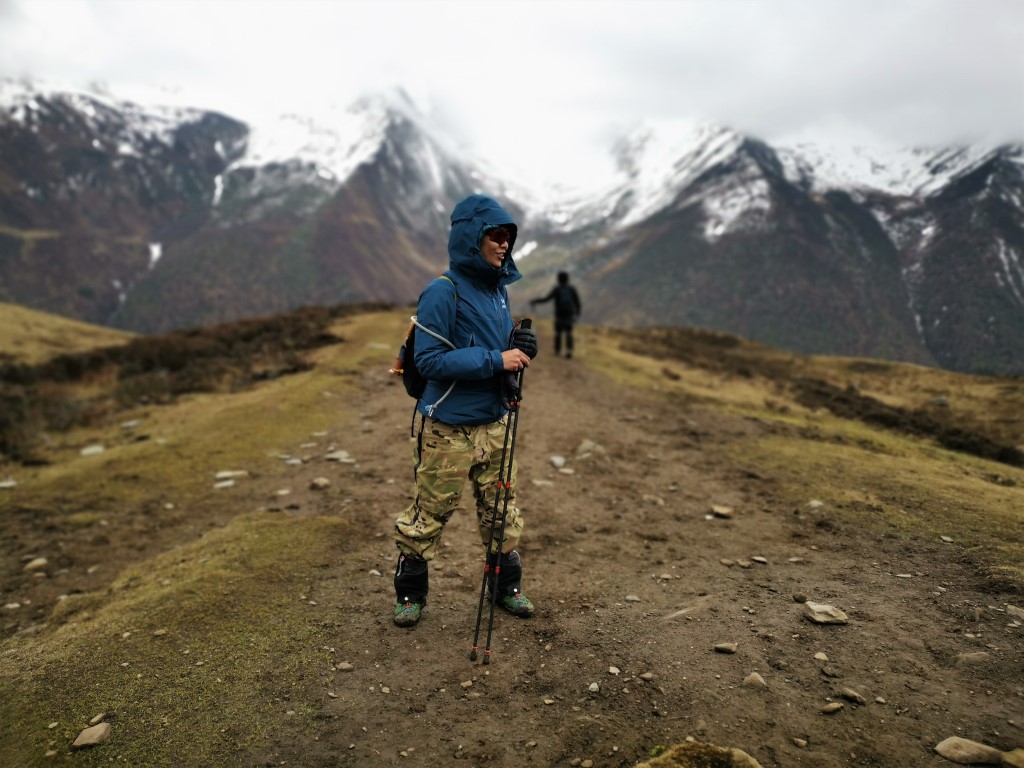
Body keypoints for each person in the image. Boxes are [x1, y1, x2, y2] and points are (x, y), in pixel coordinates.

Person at [391, 194, 539, 628]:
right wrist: (498, 359)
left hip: (495, 423)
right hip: (448, 429)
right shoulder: (442, 291)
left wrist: (519, 347)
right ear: (471, 239)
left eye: (508, 236)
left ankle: (507, 589)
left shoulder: (497, 290)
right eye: (496, 235)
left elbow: (494, 346)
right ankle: (410, 595)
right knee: (429, 514)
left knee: (502, 511)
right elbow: (430, 361)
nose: (504, 244)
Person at [530, 271, 581, 358]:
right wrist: (577, 315)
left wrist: (535, 301)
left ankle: (557, 351)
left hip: (559, 314)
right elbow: (577, 303)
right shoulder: (572, 289)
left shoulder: (557, 289)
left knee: (558, 332)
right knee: (569, 332)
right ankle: (569, 351)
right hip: (569, 314)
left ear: (559, 279)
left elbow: (546, 299)